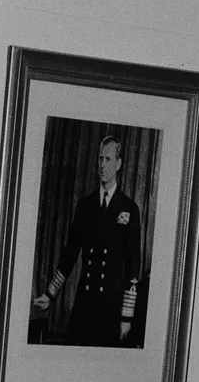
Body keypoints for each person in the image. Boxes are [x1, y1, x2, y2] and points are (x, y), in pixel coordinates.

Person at [33, 135, 142, 347]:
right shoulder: (85, 205)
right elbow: (70, 253)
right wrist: (50, 294)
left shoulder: (129, 208)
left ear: (118, 164)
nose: (102, 165)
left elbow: (133, 265)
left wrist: (126, 317)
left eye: (108, 159)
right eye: (100, 159)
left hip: (111, 308)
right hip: (84, 304)